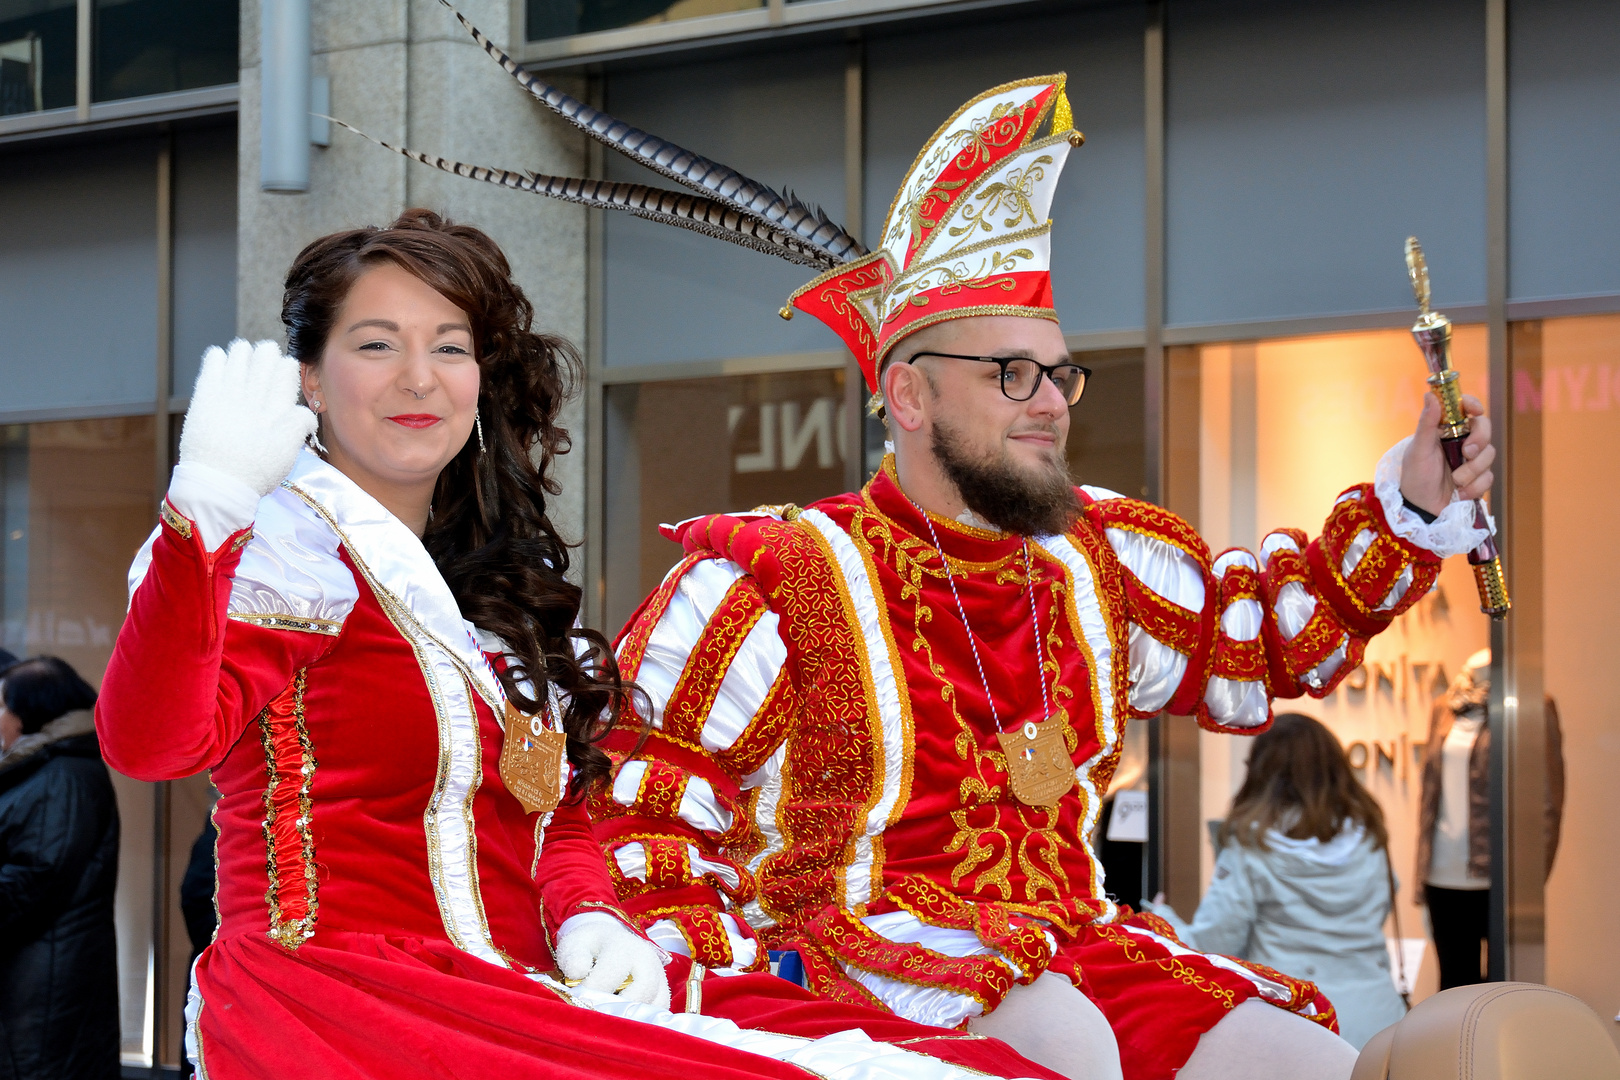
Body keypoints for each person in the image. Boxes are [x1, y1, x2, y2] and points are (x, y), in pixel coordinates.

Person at [548, 78, 1499, 1080]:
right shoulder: (778, 579)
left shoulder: (1095, 553)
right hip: (843, 962)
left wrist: (1419, 509)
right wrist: (729, 997)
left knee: (1309, 1061)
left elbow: (1257, 634)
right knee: (1065, 1045)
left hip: (1070, 940)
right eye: (1011, 374)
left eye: (1059, 373)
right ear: (907, 395)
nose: (1050, 402)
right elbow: (639, 813)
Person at [96, 209, 1062, 1080]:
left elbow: (545, 815)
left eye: (450, 346)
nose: (420, 377)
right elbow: (153, 743)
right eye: (377, 344)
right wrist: (207, 508)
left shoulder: (474, 588)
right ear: (308, 375)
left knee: (950, 1064)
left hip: (520, 986)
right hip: (343, 1007)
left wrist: (592, 912)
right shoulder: (275, 543)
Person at [1141, 713, 1409, 1050]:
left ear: (1261, 771)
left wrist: (1164, 920)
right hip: (1380, 1022)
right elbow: (1383, 900)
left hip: (1299, 1019)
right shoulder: (1370, 835)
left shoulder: (1253, 845)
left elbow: (1214, 942)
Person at [0, 653, 120, 1080]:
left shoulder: (62, 777)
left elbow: (32, 881)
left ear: (31, 712)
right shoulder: (47, 769)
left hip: (43, 997)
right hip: (39, 987)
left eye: (4, 704)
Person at [1414, 649, 1564, 989]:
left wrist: (1531, 877)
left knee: (1505, 989)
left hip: (1501, 874)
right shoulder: (1445, 707)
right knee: (1454, 986)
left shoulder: (1530, 705)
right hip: (1443, 871)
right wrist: (1421, 868)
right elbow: (1430, 795)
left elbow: (1548, 802)